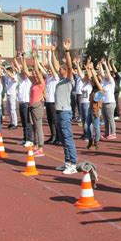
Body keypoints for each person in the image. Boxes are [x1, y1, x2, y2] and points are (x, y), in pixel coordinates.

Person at [54, 39, 78, 174]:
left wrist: (67, 51)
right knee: (63, 138)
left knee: (68, 138)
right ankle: (67, 162)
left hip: (65, 112)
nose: (58, 70)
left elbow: (69, 67)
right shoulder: (59, 81)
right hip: (58, 112)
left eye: (60, 68)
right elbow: (54, 65)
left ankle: (73, 164)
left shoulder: (69, 80)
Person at [25, 50, 46, 157]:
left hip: (37, 106)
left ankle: (41, 148)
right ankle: (36, 145)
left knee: (39, 128)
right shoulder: (34, 82)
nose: (34, 75)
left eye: (36, 74)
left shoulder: (41, 83)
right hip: (31, 106)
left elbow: (37, 71)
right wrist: (23, 58)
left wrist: (34, 59)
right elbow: (26, 71)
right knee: (34, 127)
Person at [15, 53, 33, 147]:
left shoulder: (28, 80)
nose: (22, 73)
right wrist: (16, 59)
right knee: (23, 122)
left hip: (26, 103)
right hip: (21, 102)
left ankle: (30, 139)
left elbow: (25, 70)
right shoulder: (21, 80)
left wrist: (23, 58)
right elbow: (19, 69)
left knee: (27, 122)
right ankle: (25, 138)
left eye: (23, 73)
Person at [44, 44, 60, 144]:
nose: (49, 71)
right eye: (48, 70)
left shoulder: (56, 77)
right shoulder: (48, 78)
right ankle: (53, 136)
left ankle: (58, 137)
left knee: (55, 120)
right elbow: (42, 70)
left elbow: (53, 69)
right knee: (50, 120)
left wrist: (49, 58)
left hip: (54, 102)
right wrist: (36, 59)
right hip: (48, 102)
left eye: (50, 69)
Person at [86, 61, 104, 150]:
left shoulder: (100, 90)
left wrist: (93, 69)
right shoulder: (93, 89)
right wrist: (88, 68)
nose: (91, 82)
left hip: (96, 110)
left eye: (94, 81)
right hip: (90, 109)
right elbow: (90, 78)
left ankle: (96, 142)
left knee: (96, 126)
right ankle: (90, 140)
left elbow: (95, 81)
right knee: (87, 125)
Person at [100, 58, 117, 139]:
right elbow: (102, 73)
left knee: (110, 119)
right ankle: (107, 133)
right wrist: (100, 65)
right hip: (104, 102)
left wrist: (105, 64)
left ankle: (113, 133)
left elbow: (108, 74)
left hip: (110, 103)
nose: (105, 75)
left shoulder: (111, 82)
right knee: (105, 120)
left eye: (107, 74)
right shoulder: (104, 82)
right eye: (105, 74)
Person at [3, 63, 18, 130]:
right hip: (8, 94)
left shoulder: (14, 77)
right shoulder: (7, 77)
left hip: (12, 95)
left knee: (12, 109)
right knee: (8, 109)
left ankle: (15, 123)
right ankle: (11, 122)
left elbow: (12, 76)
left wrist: (5, 69)